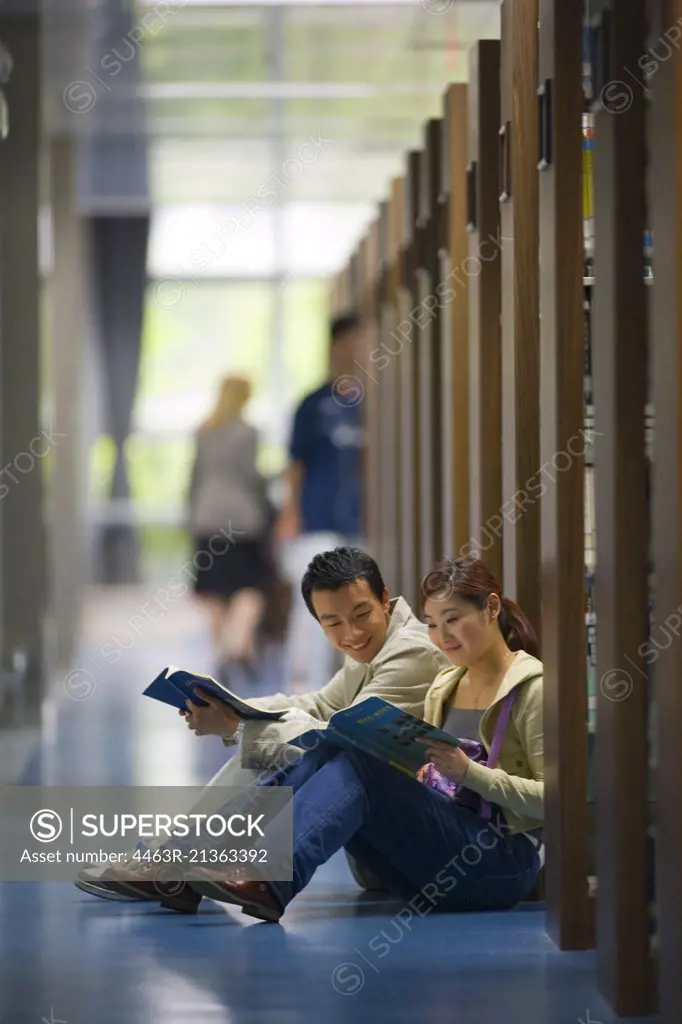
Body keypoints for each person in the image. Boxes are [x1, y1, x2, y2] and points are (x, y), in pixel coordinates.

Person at [161, 556, 545, 920]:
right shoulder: (446, 683)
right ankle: (186, 860)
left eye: (454, 620)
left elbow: (556, 803)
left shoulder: (531, 688)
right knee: (335, 747)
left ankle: (263, 877)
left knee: (354, 758)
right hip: (430, 861)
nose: (441, 637)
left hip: (501, 864)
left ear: (492, 608)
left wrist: (469, 774)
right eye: (432, 624)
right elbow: (328, 710)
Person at [75, 547, 449, 902]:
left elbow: (341, 737)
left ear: (385, 600)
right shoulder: (375, 643)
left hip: (417, 843)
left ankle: (172, 863)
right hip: (383, 831)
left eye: (361, 615)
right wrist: (236, 707)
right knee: (270, 744)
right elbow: (322, 704)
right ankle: (170, 861)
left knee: (298, 751)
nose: (350, 634)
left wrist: (238, 726)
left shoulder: (410, 652)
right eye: (332, 622)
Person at [276, 314, 366, 690]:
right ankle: (306, 694)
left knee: (363, 615)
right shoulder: (313, 406)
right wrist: (291, 514)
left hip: (363, 525)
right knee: (316, 614)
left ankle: (354, 701)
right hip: (319, 522)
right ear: (336, 346)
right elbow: (295, 466)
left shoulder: (375, 404)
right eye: (353, 342)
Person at [187, 375, 268, 674]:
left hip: (207, 517)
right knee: (249, 586)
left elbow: (194, 477)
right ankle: (239, 645)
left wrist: (191, 516)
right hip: (242, 518)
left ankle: (222, 651)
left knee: (215, 590)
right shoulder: (248, 432)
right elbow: (251, 475)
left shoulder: (203, 430)